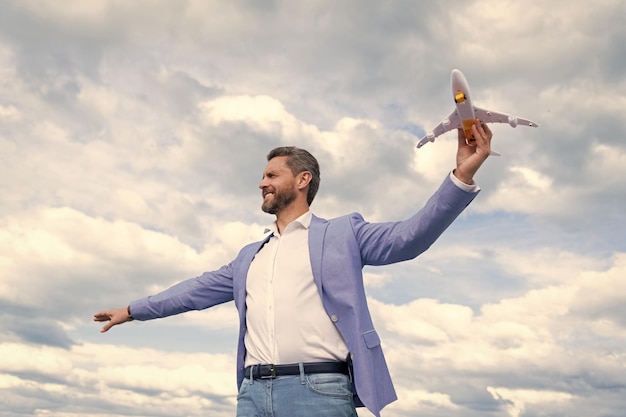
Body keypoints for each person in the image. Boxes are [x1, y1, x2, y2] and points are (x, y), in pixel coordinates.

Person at [94, 121, 493, 417]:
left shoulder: (342, 234)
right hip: (251, 394)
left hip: (318, 391)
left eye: (271, 175)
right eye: (263, 176)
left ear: (302, 180)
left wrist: (462, 175)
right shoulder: (250, 256)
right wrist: (132, 310)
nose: (262, 183)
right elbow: (193, 292)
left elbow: (410, 238)